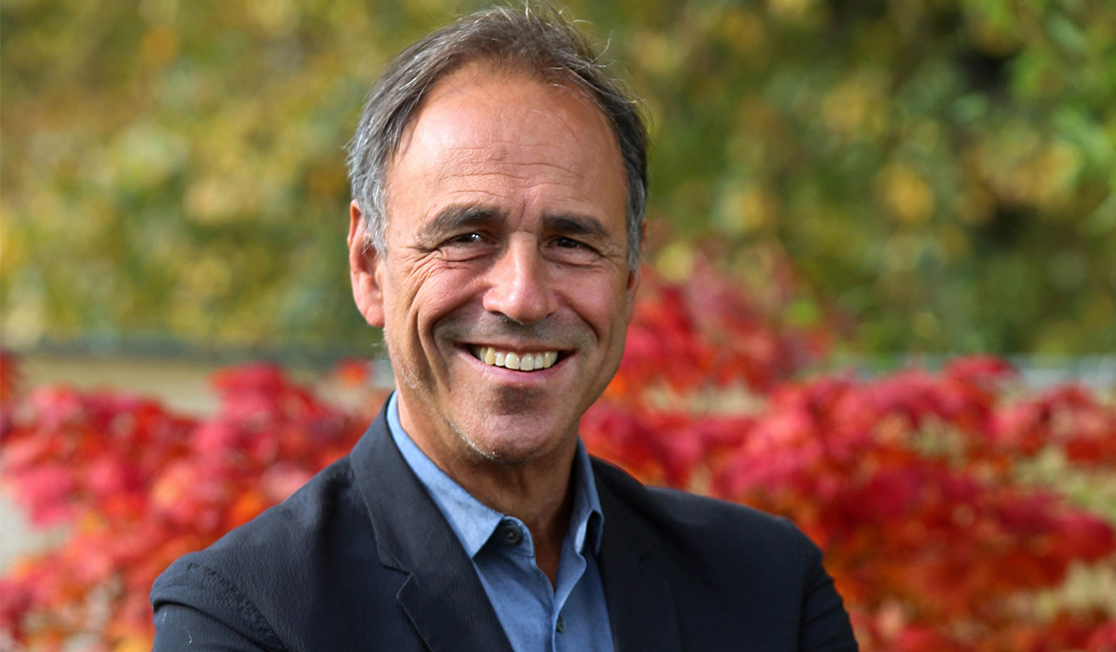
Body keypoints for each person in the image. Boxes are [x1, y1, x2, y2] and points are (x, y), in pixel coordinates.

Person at [150, 5, 858, 651]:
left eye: (572, 242)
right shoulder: (246, 617)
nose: (522, 296)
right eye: (467, 235)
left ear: (631, 275)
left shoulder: (769, 591)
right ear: (370, 267)